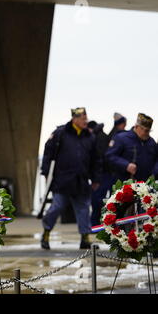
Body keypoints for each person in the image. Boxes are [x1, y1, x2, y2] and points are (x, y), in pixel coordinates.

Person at [40, 107, 101, 250]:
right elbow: (48, 153)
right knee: (56, 208)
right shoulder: (60, 133)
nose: (85, 121)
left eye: (86, 118)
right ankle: (46, 233)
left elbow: (96, 160)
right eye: (82, 119)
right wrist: (46, 173)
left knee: (84, 210)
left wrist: (96, 178)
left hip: (81, 181)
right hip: (62, 181)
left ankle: (85, 238)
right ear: (74, 119)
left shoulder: (90, 137)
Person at [106, 113, 158, 182]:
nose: (146, 133)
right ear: (136, 127)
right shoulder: (121, 138)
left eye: (148, 131)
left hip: (146, 186)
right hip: (124, 185)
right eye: (145, 130)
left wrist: (154, 174)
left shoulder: (151, 142)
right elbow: (110, 156)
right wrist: (126, 165)